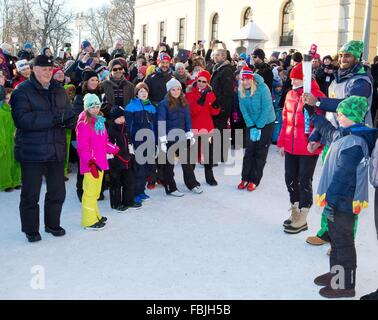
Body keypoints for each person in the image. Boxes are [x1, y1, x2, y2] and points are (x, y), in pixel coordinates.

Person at [304, 96, 376, 298]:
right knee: (335, 239)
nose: (338, 115)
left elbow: (343, 177)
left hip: (343, 202)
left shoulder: (354, 143)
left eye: (342, 114)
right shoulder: (347, 133)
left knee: (343, 241)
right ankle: (336, 274)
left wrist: (331, 203)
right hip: (338, 200)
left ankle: (345, 285)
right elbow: (328, 131)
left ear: (352, 117)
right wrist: (312, 113)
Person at [303, 40, 374, 246]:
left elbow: (344, 106)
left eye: (348, 56)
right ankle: (327, 231)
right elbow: (330, 114)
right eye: (341, 55)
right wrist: (316, 136)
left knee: (346, 195)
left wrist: (316, 101)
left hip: (352, 144)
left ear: (357, 58)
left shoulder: (361, 82)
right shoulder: (336, 80)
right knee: (329, 187)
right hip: (334, 139)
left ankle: (342, 240)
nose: (343, 59)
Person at [10, 55, 76, 242]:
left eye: (50, 69)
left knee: (57, 191)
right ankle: (31, 230)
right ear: (34, 70)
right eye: (44, 69)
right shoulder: (21, 91)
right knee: (31, 193)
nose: (48, 73)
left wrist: (70, 121)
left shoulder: (59, 90)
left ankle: (52, 224)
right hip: (32, 151)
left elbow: (68, 113)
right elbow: (22, 120)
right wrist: (54, 119)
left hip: (55, 149)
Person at [278, 62, 326, 234]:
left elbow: (320, 124)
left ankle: (304, 216)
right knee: (290, 178)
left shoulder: (316, 95)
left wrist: (316, 142)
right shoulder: (290, 94)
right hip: (291, 146)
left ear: (305, 79)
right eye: (292, 80)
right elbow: (285, 120)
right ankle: (295, 210)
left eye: (297, 80)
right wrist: (282, 142)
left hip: (307, 148)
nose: (293, 83)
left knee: (304, 180)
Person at [76, 94, 120, 230]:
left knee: (95, 192)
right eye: (91, 107)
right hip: (91, 165)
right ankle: (88, 221)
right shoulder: (83, 123)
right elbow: (83, 147)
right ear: (86, 108)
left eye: (97, 106)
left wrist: (114, 149)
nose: (95, 109)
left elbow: (103, 141)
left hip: (100, 162)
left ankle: (95, 215)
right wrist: (90, 163)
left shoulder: (99, 121)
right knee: (89, 192)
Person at [158, 78, 201, 196]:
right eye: (173, 90)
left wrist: (189, 134)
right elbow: (161, 122)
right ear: (169, 91)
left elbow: (188, 119)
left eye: (178, 89)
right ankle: (171, 187)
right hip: (169, 139)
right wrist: (162, 140)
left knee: (187, 163)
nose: (176, 92)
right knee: (169, 165)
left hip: (181, 138)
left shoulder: (184, 102)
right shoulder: (163, 104)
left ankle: (192, 184)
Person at [237, 66, 275, 191]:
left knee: (260, 152)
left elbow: (267, 109)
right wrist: (252, 126)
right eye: (243, 79)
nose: (246, 82)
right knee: (249, 151)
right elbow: (244, 110)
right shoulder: (241, 90)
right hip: (251, 123)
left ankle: (255, 179)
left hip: (266, 123)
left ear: (252, 78)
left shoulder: (263, 88)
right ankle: (245, 178)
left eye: (248, 79)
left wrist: (259, 127)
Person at [125, 82, 158, 203]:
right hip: (137, 141)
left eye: (145, 91)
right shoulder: (131, 107)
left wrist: (156, 142)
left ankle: (141, 190)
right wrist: (129, 142)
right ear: (136, 93)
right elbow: (128, 126)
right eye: (141, 91)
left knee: (147, 166)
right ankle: (135, 192)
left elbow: (154, 126)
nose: (144, 93)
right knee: (138, 167)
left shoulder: (152, 107)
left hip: (149, 140)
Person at [186, 70, 220, 185]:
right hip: (195, 128)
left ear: (207, 83)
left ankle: (209, 177)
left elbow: (214, 113)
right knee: (193, 155)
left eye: (203, 81)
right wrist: (201, 101)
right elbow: (192, 112)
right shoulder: (190, 93)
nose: (200, 83)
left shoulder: (210, 94)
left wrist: (216, 106)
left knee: (208, 155)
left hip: (207, 128)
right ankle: (191, 179)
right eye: (199, 80)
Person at [108, 106, 142, 211]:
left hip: (127, 160)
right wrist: (112, 157)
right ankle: (116, 203)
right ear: (114, 119)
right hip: (116, 161)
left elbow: (129, 142)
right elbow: (109, 145)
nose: (121, 120)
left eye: (123, 117)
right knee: (115, 183)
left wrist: (132, 154)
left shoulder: (126, 129)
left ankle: (129, 201)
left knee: (129, 181)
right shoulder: (111, 130)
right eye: (119, 118)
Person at [210, 48, 234, 163]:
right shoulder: (217, 68)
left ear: (224, 57)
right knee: (218, 129)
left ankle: (219, 156)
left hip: (222, 106)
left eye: (217, 55)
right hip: (216, 104)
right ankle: (219, 155)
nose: (215, 56)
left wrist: (220, 104)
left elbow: (227, 91)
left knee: (219, 130)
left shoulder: (226, 70)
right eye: (215, 55)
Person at [0, 78, 21, 192]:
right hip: (5, 139)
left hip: (16, 138)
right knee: (5, 161)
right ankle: (5, 182)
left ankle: (16, 180)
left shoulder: (17, 109)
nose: (9, 100)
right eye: (7, 98)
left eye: (11, 98)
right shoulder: (2, 111)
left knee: (16, 160)